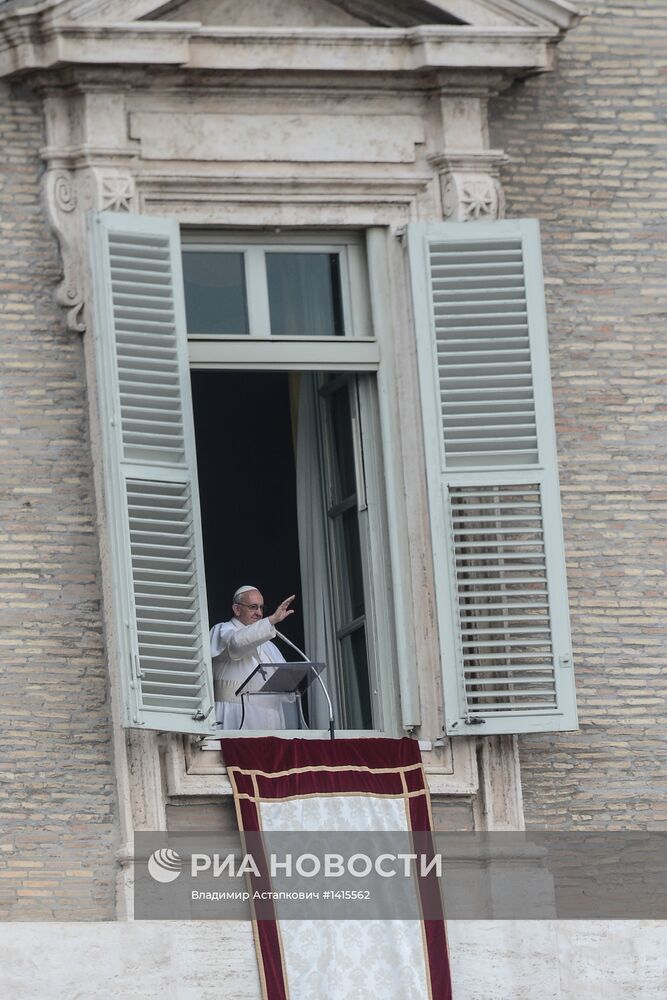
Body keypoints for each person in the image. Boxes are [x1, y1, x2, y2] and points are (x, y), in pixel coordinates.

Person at [210, 586, 295, 730]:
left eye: (262, 608)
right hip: (234, 717)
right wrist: (271, 620)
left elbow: (287, 689)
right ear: (237, 609)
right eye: (253, 607)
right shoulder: (222, 630)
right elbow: (236, 645)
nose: (259, 613)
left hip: (271, 722)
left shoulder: (270, 646)